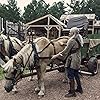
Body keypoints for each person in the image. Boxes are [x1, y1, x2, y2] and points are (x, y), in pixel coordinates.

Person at [51, 27, 84, 97]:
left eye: (70, 32)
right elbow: (73, 46)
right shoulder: (78, 38)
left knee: (70, 75)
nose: (69, 33)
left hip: (73, 59)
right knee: (76, 74)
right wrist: (64, 44)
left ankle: (72, 92)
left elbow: (65, 51)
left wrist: (55, 56)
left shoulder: (72, 40)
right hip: (77, 58)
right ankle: (79, 88)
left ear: (73, 33)